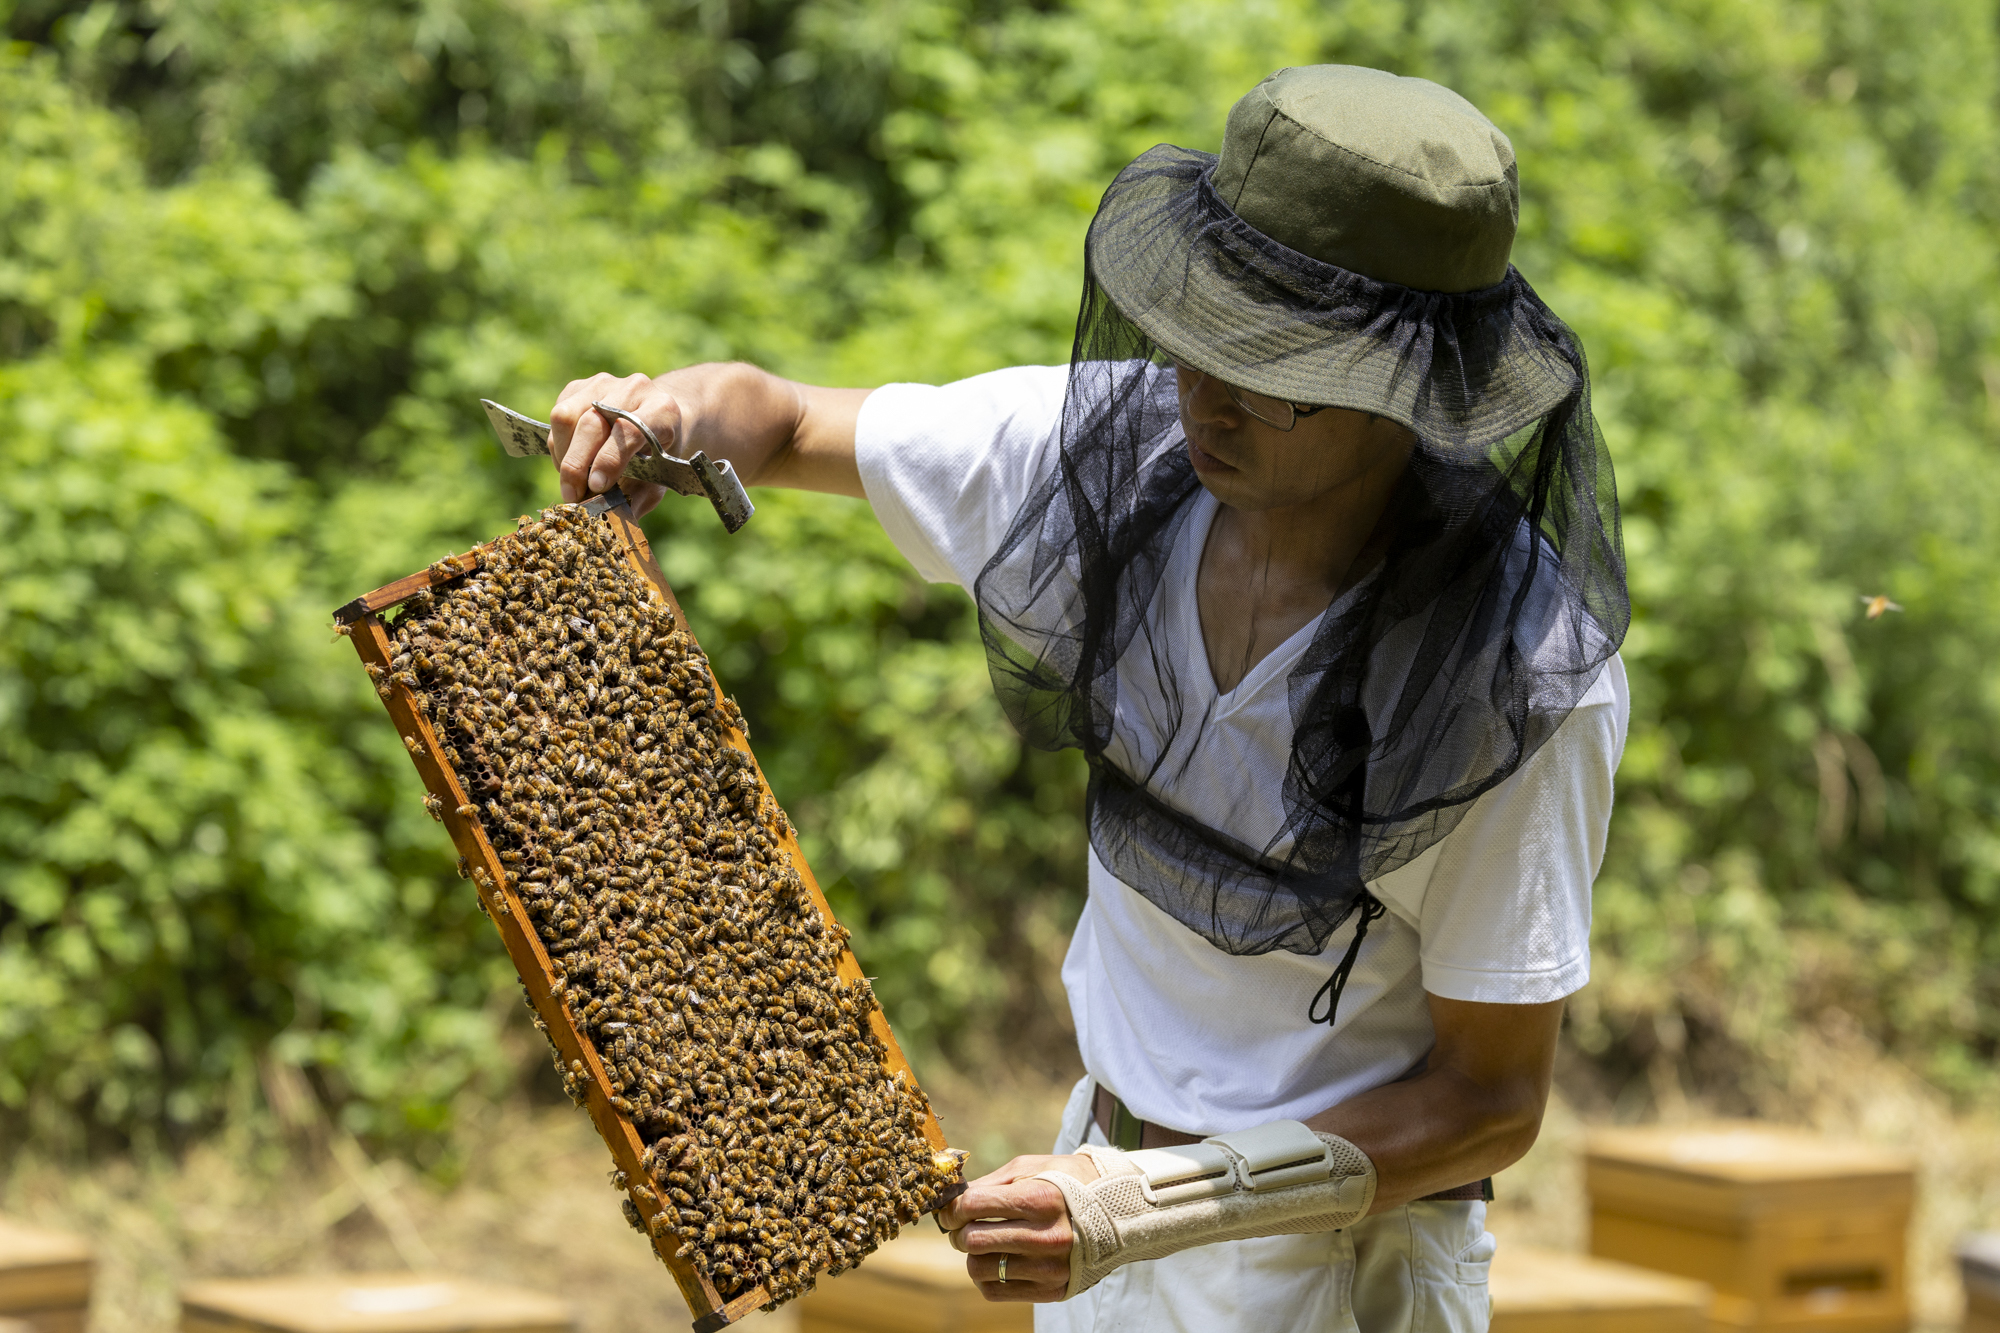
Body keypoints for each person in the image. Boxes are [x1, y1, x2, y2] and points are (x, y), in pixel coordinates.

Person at [547, 64, 1628, 1333]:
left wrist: (1151, 1204)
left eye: (1271, 366)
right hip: (1100, 1214)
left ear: (1407, 385)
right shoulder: (1105, 455)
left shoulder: (1513, 668)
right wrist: (664, 411)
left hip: (1341, 1269)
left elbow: (1488, 1101)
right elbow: (777, 422)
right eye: (1196, 334)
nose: (1204, 395)